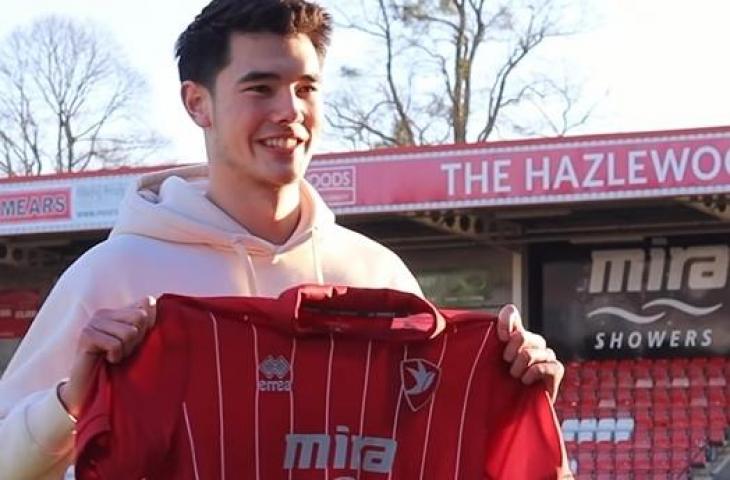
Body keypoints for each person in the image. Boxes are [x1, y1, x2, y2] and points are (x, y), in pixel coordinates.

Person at [0, 0, 564, 478]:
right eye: (260, 87)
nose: (289, 111)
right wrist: (71, 403)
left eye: (305, 87)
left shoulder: (377, 275)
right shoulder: (114, 274)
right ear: (198, 103)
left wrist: (520, 401)